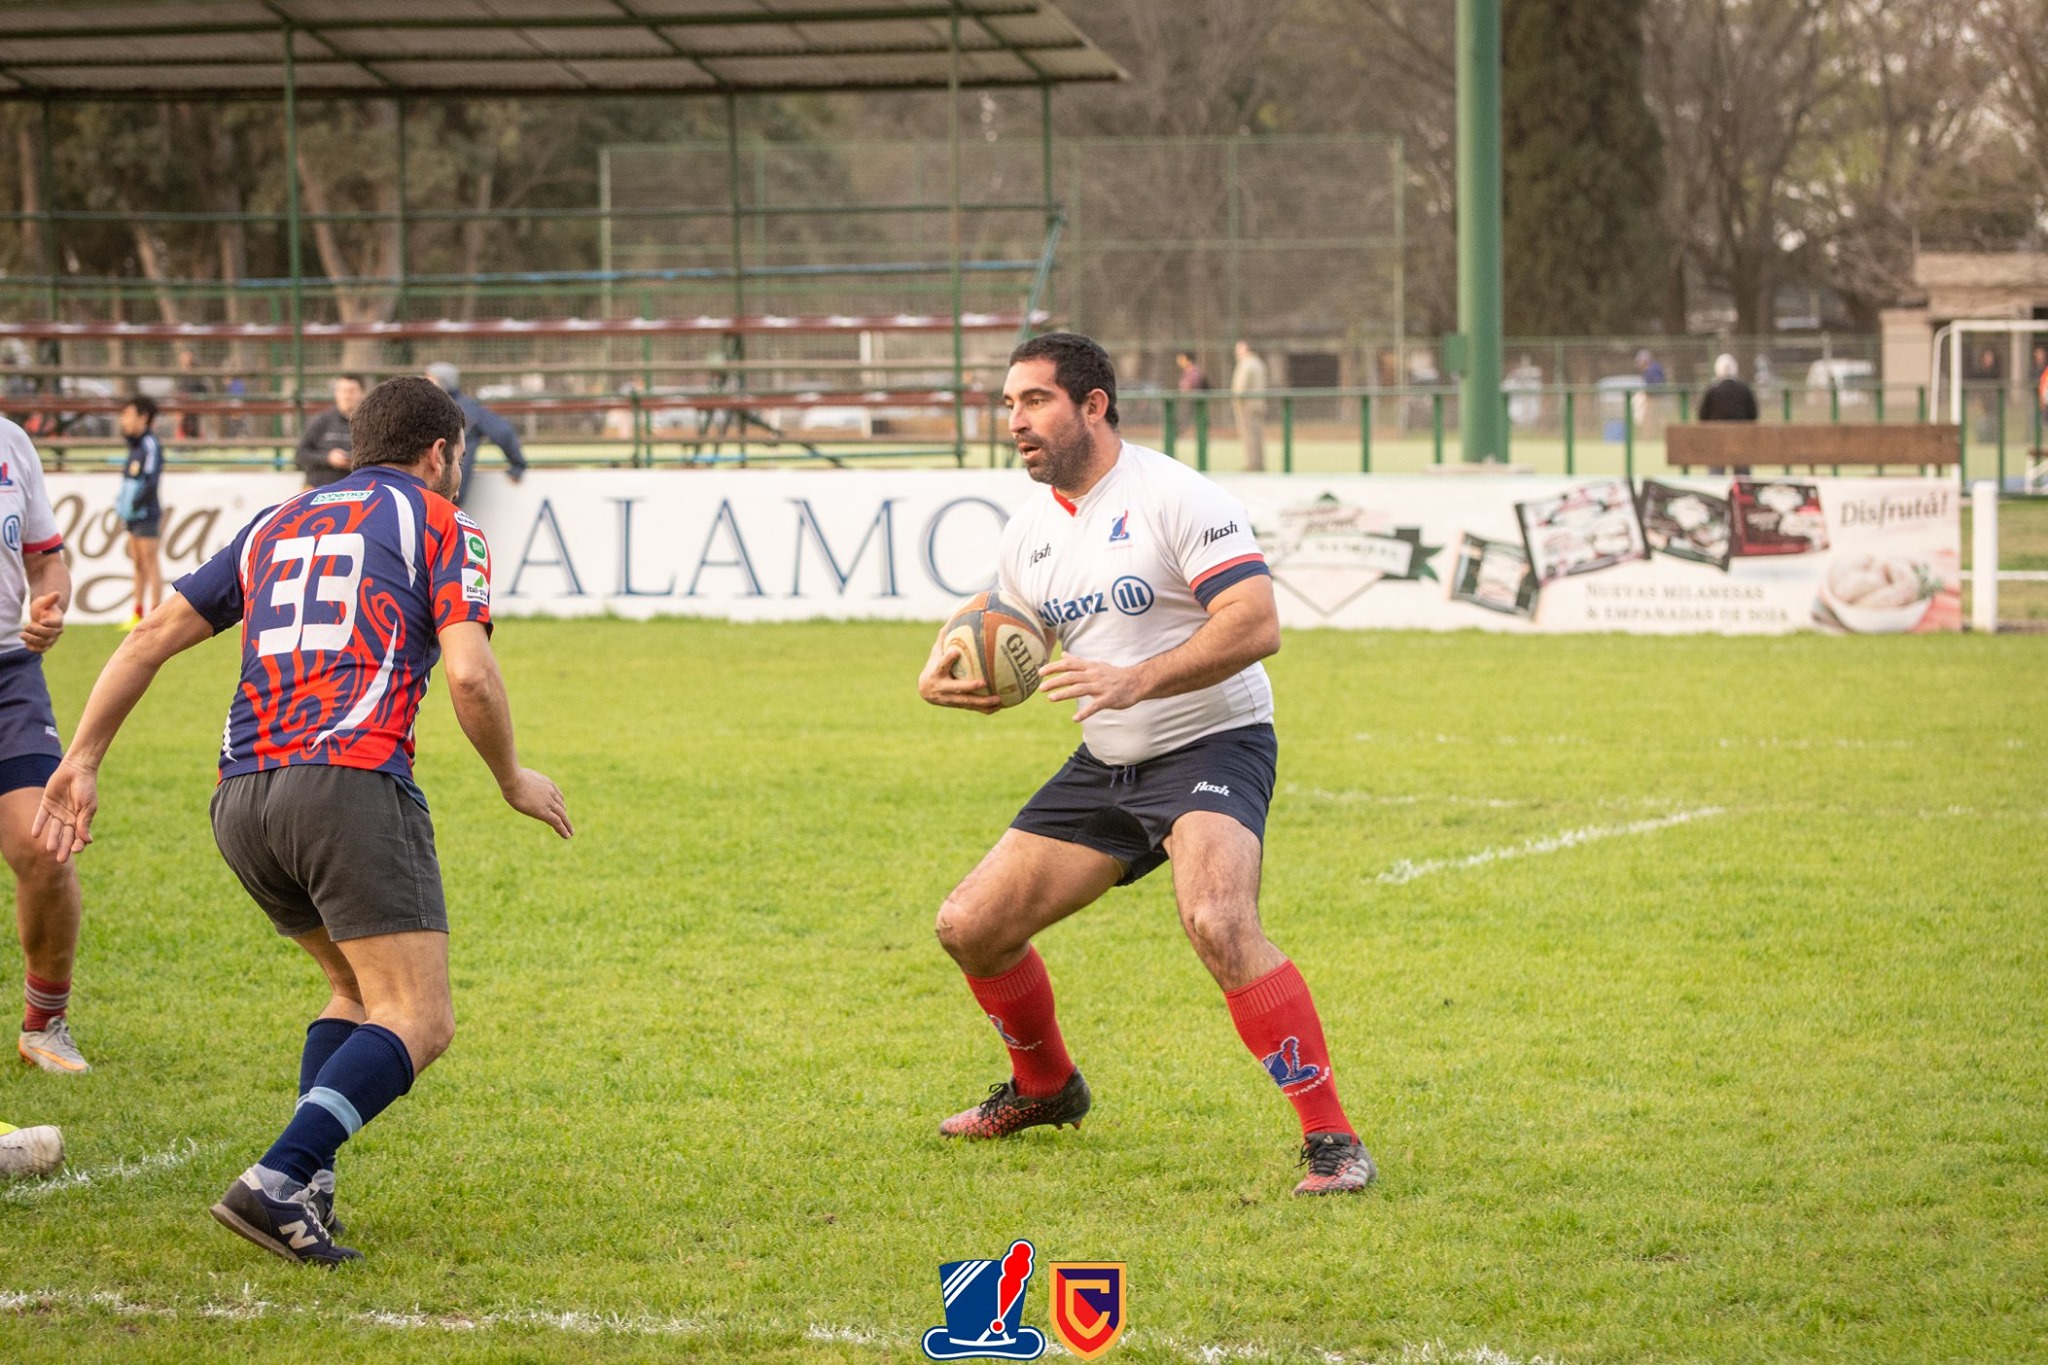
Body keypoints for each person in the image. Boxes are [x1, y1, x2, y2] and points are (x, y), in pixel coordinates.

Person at [34, 376, 574, 1265]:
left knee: (356, 993)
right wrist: (511, 776)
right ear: (439, 452)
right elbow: (472, 675)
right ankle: (281, 1175)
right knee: (419, 1016)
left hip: (241, 797)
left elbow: (143, 639)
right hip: (348, 782)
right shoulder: (443, 524)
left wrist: (83, 758)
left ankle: (306, 1193)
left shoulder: (274, 522)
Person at [916, 332, 1375, 1197]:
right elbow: (1013, 634)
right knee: (969, 925)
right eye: (1008, 404)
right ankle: (1047, 1086)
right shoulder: (1030, 532)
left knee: (1217, 919)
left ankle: (1333, 1139)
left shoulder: (1175, 496)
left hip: (1213, 743)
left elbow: (1255, 620)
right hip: (1109, 759)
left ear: (1093, 405)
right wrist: (955, 671)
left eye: (1036, 401)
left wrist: (1140, 677)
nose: (1016, 421)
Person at [0, 415, 88, 1076]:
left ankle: (44, 1024)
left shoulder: (13, 442)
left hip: (10, 672)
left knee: (45, 843)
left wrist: (50, 603)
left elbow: (44, 556)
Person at [424, 362, 526, 506]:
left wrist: (518, 465)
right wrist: (517, 465)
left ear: (442, 382)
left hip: (438, 492)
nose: (426, 383)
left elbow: (503, 432)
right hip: (449, 494)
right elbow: (504, 431)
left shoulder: (463, 411)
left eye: (430, 379)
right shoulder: (468, 408)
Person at [116, 396, 166, 630]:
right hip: (132, 513)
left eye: (128, 414)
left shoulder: (150, 444)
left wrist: (136, 503)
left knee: (150, 561)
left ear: (143, 417)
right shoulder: (135, 444)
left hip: (145, 512)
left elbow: (150, 479)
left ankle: (155, 613)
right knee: (137, 561)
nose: (123, 420)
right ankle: (137, 611)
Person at [295, 375, 363, 489]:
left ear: (362, 393)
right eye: (343, 391)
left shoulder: (369, 424)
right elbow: (300, 455)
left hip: (356, 488)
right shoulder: (321, 421)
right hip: (319, 487)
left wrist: (357, 462)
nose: (347, 396)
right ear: (336, 394)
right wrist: (328, 458)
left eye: (352, 391)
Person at [1697, 353, 1759, 477]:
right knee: (1743, 470)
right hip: (1741, 442)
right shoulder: (1744, 389)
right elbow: (1753, 414)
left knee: (1715, 469)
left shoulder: (1712, 390)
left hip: (1717, 443)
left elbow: (1702, 416)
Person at [1230, 339, 1270, 473]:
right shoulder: (1258, 362)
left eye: (1238, 349)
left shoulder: (1247, 364)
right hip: (1258, 403)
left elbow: (1241, 387)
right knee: (1257, 436)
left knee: (1249, 436)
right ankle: (1258, 463)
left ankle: (1252, 465)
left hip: (1247, 405)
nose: (1236, 352)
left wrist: (1236, 398)